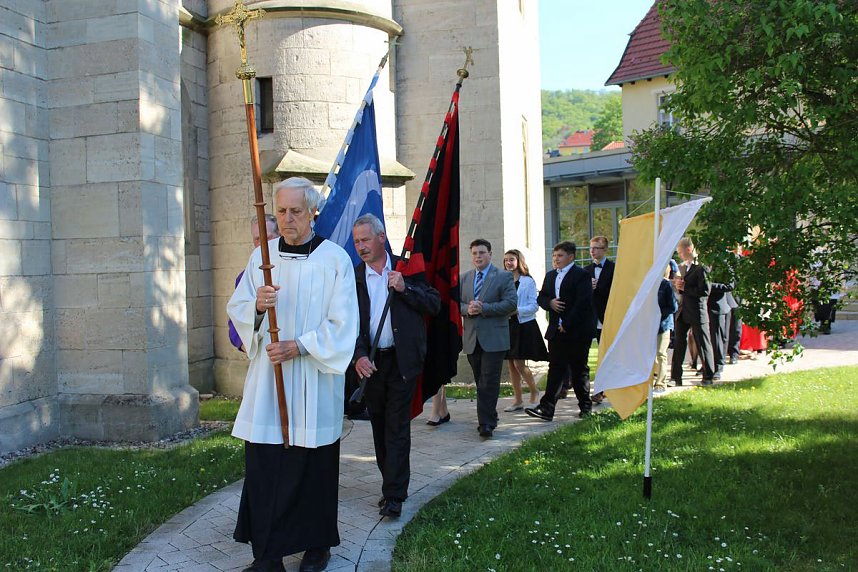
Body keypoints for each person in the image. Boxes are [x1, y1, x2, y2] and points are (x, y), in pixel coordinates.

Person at [227, 177, 359, 572]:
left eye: (295, 211)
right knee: (266, 465)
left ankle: (316, 546)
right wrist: (256, 306)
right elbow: (239, 308)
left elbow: (344, 324)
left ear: (312, 212)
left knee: (312, 467)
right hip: (270, 382)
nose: (287, 219)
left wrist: (299, 346)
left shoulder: (335, 259)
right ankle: (267, 556)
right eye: (281, 211)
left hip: (314, 379)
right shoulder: (262, 258)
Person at [350, 214, 440, 518]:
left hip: (403, 361)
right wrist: (359, 355)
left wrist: (405, 288)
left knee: (397, 428)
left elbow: (434, 303)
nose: (360, 246)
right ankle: (390, 483)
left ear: (381, 237)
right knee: (379, 427)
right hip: (372, 365)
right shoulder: (355, 276)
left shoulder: (406, 267)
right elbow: (350, 324)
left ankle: (394, 495)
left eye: (365, 239)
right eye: (356, 241)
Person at [526, 241, 596, 421]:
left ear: (570, 257)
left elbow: (583, 303)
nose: (556, 259)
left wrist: (568, 323)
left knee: (579, 369)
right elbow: (541, 297)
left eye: (560, 256)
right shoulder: (550, 276)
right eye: (554, 256)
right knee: (556, 368)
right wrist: (550, 303)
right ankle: (547, 407)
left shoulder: (581, 275)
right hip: (556, 331)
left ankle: (585, 406)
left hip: (578, 330)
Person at [460, 239, 517, 438]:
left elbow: (511, 304)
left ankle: (486, 424)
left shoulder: (503, 277)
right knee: (480, 381)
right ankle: (490, 414)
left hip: (495, 339)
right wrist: (467, 309)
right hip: (472, 339)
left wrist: (484, 308)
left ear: (490, 254)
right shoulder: (464, 278)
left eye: (482, 252)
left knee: (489, 382)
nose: (478, 256)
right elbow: (455, 304)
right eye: (474, 253)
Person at [502, 249, 548, 411]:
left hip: (523, 325)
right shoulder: (502, 280)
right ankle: (518, 399)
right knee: (511, 365)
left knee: (519, 363)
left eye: (511, 259)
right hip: (507, 326)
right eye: (506, 260)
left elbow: (534, 306)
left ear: (519, 261)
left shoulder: (527, 281)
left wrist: (516, 310)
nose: (508, 262)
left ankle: (534, 392)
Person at [669, 237, 716, 386]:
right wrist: (678, 286)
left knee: (703, 343)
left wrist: (686, 288)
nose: (680, 256)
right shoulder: (683, 267)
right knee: (679, 343)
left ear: (688, 250)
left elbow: (705, 290)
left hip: (697, 310)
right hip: (683, 310)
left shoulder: (701, 267)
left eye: (681, 253)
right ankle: (676, 377)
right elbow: (682, 288)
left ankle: (708, 375)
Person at [228, 214, 279, 352]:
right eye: (257, 239)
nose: (262, 243)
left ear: (279, 236)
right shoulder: (244, 277)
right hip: (264, 355)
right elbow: (235, 324)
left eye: (267, 237)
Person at [584, 235, 615, 404]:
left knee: (605, 355)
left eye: (596, 248)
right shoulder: (585, 270)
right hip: (589, 318)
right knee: (584, 355)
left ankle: (602, 389)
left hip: (607, 317)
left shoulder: (614, 268)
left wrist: (599, 288)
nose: (593, 251)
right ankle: (587, 389)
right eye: (591, 248)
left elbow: (616, 293)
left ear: (605, 250)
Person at [653, 263, 678, 393]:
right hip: (651, 325)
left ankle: (661, 382)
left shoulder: (665, 285)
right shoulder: (649, 284)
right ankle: (655, 375)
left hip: (663, 324)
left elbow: (673, 307)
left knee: (661, 353)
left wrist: (658, 312)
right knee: (653, 354)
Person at [707, 275, 737, 376]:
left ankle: (718, 366)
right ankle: (707, 365)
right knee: (707, 338)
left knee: (718, 338)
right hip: (702, 306)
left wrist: (708, 286)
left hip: (718, 306)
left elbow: (729, 286)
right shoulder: (699, 265)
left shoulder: (722, 263)